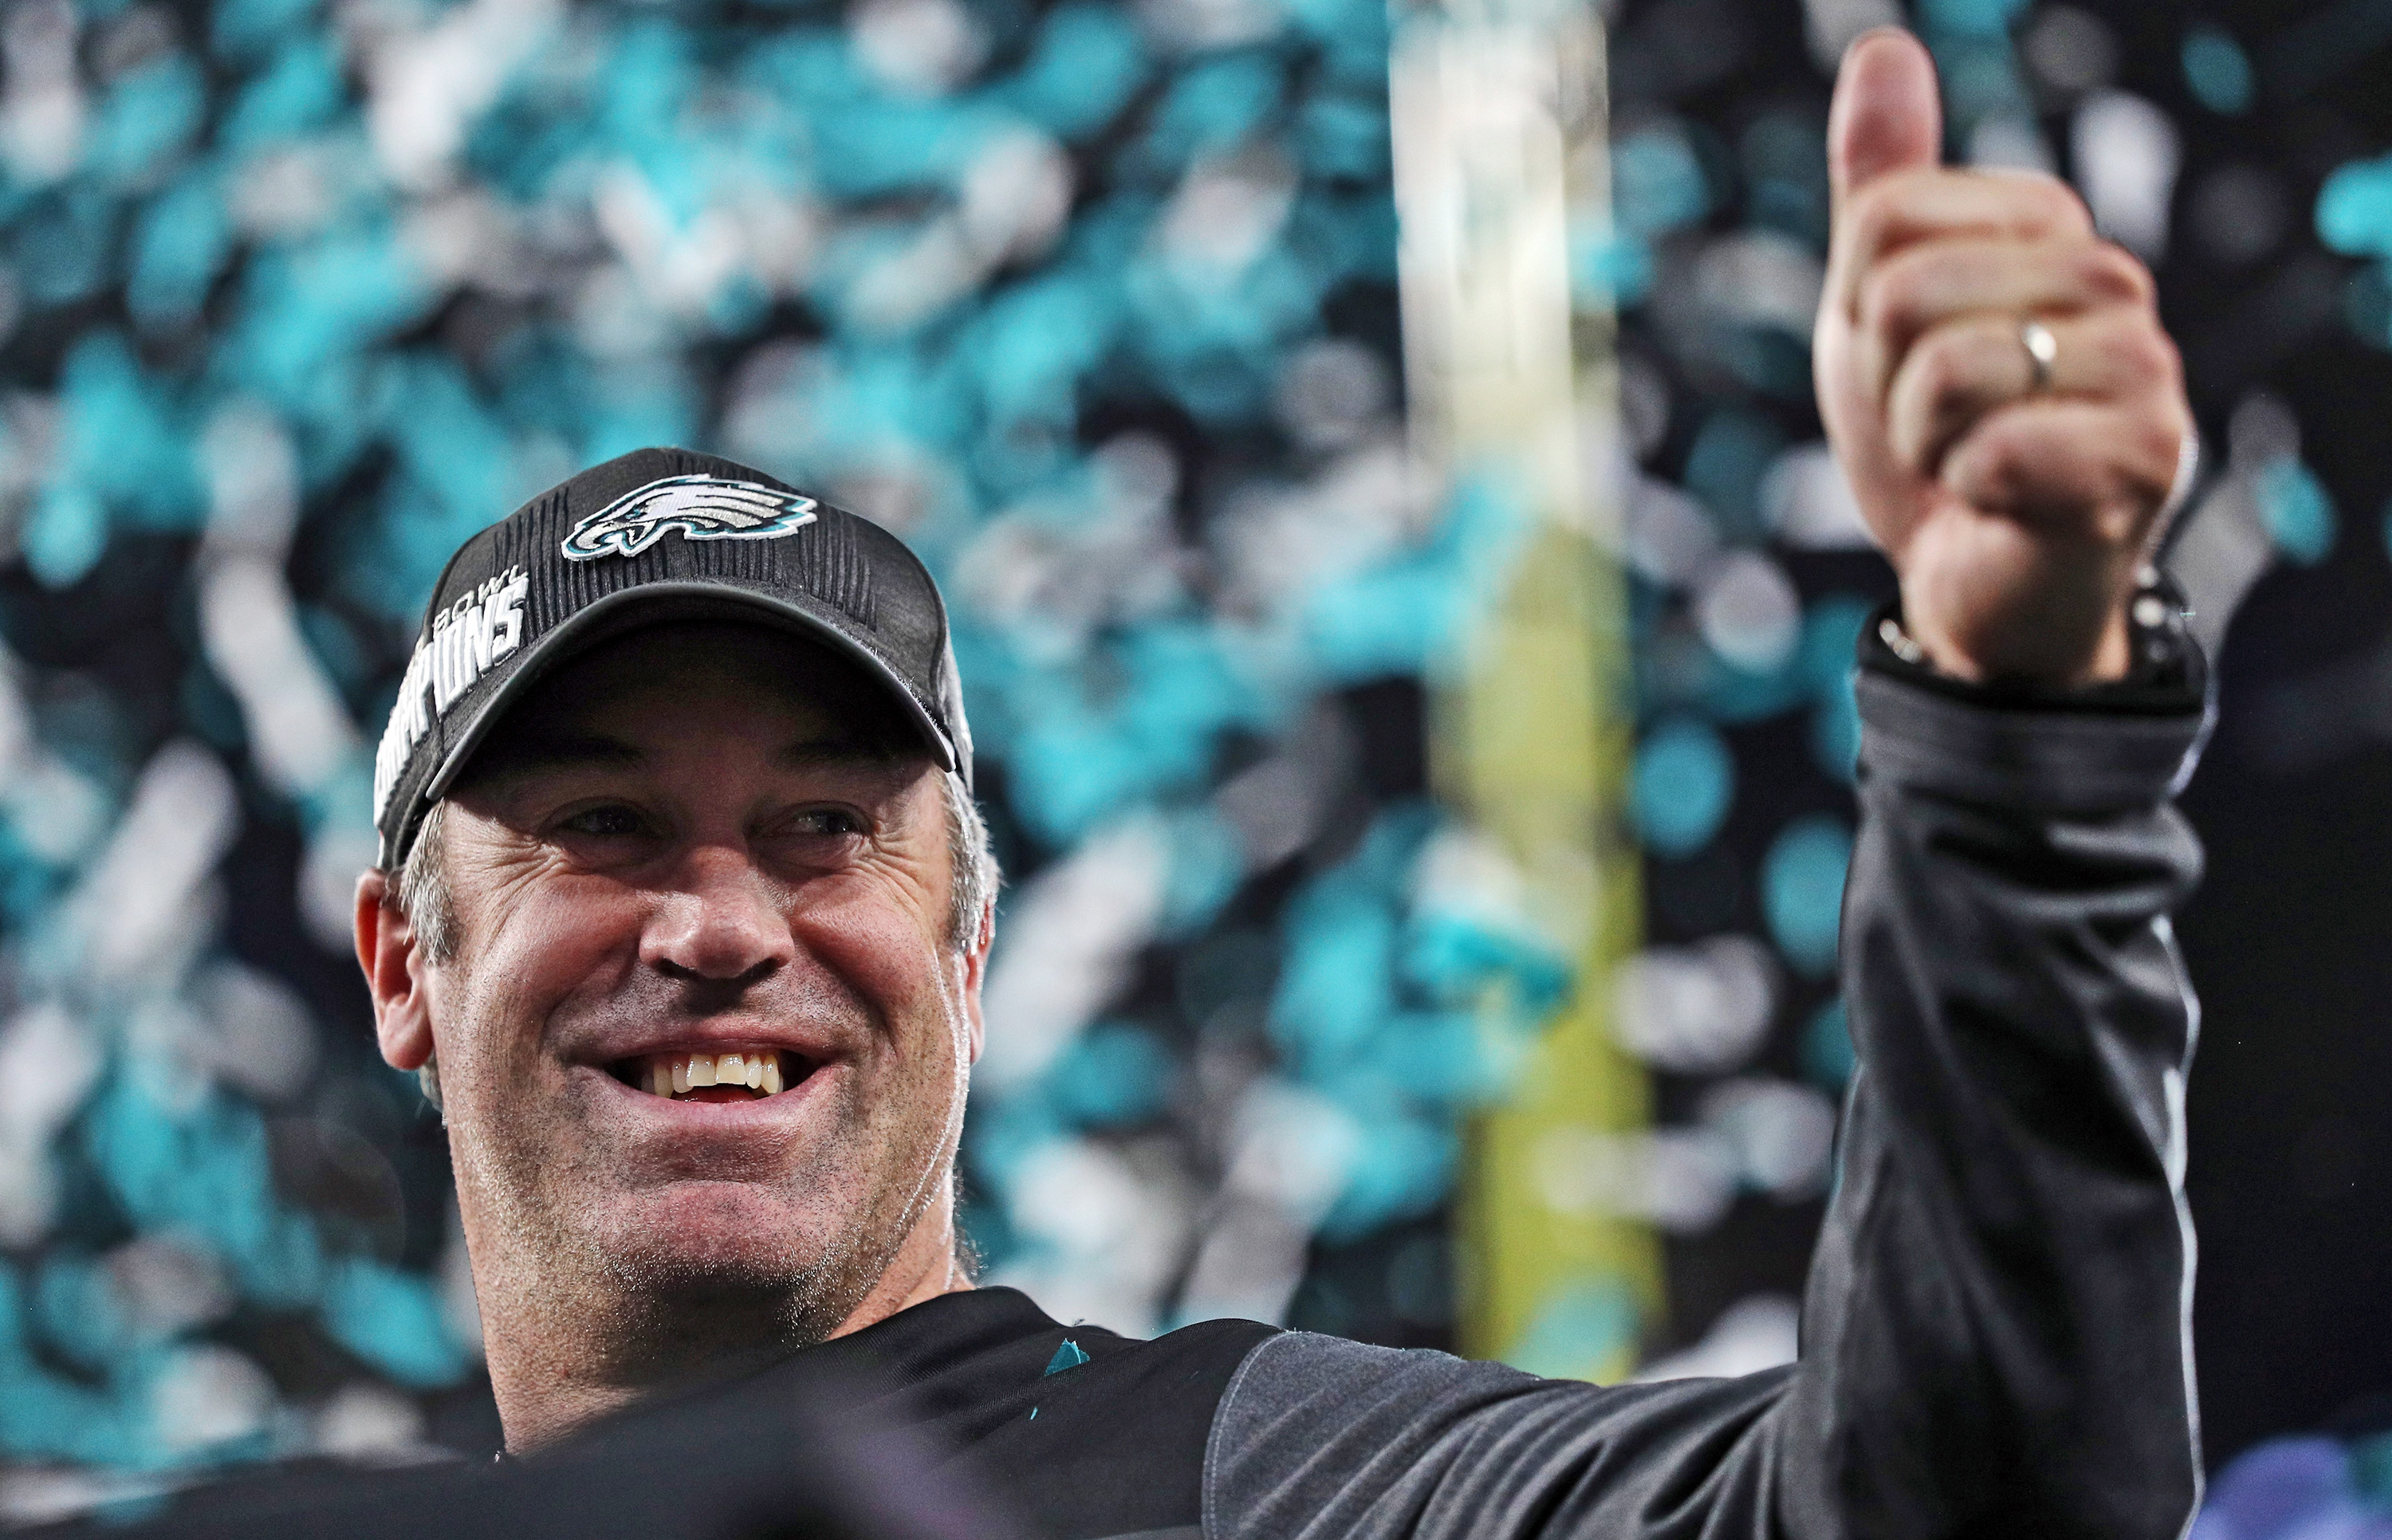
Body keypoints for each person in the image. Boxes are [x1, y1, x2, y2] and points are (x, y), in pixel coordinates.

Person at [342, 27, 2209, 1540]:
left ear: (972, 953)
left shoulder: (1260, 1488)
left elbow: (1960, 1507)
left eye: (829, 830)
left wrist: (2017, 741)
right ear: (401, 966)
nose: (726, 923)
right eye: (602, 827)